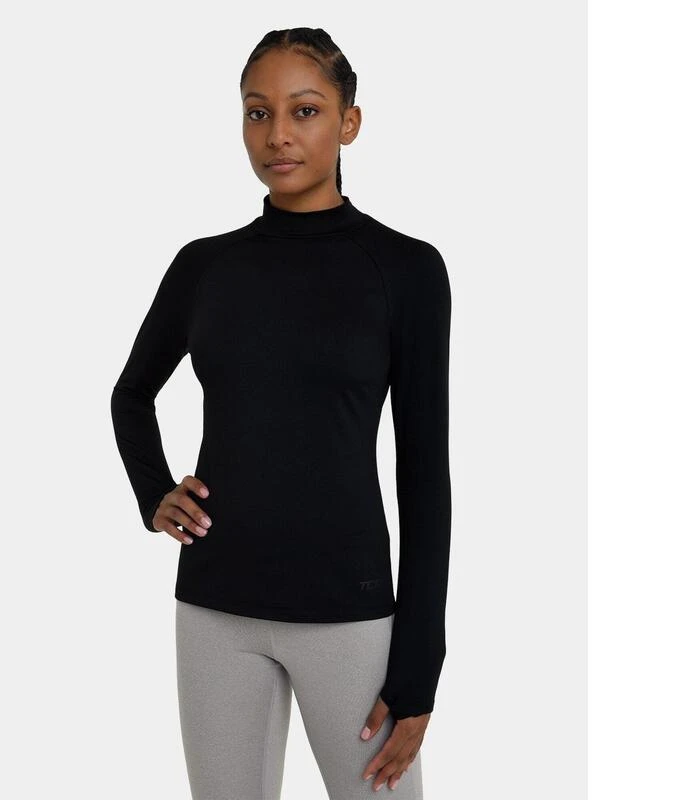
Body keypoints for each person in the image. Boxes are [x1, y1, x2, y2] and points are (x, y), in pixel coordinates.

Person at [111, 27, 452, 800]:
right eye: (257, 112)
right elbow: (131, 395)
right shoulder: (205, 265)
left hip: (348, 616)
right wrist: (153, 492)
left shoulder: (406, 270)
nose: (278, 135)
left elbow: (425, 477)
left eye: (305, 110)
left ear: (349, 122)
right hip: (214, 610)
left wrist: (419, 665)